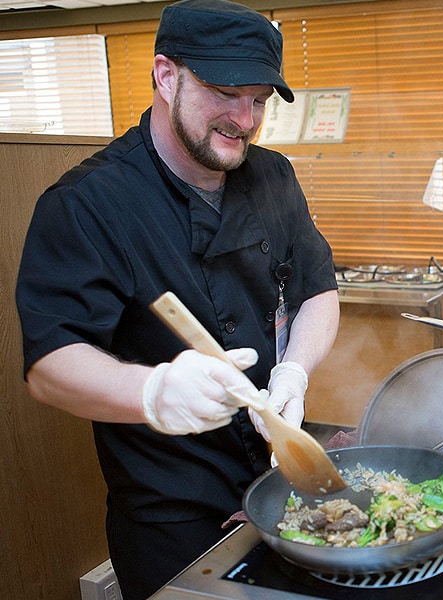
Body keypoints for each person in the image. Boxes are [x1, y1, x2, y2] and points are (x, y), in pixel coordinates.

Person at [15, 1, 340, 597]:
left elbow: (318, 290)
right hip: (170, 515)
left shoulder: (274, 176)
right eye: (225, 91)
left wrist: (294, 370)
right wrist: (153, 392)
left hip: (275, 482)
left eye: (260, 99)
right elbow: (50, 365)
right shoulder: (87, 203)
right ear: (167, 76)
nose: (244, 119)